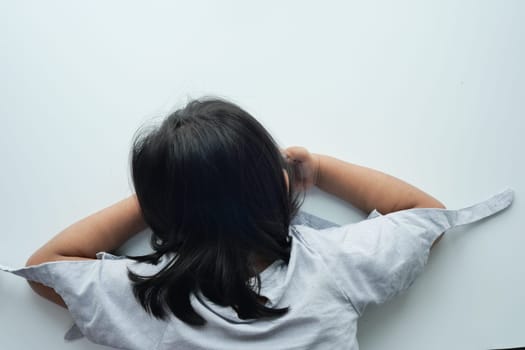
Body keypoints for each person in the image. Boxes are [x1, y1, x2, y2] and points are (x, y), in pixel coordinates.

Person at [0, 98, 513, 349]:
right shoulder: (333, 266)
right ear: (277, 184)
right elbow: (425, 217)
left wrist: (163, 196)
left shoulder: (149, 299)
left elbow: (47, 267)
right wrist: (322, 169)